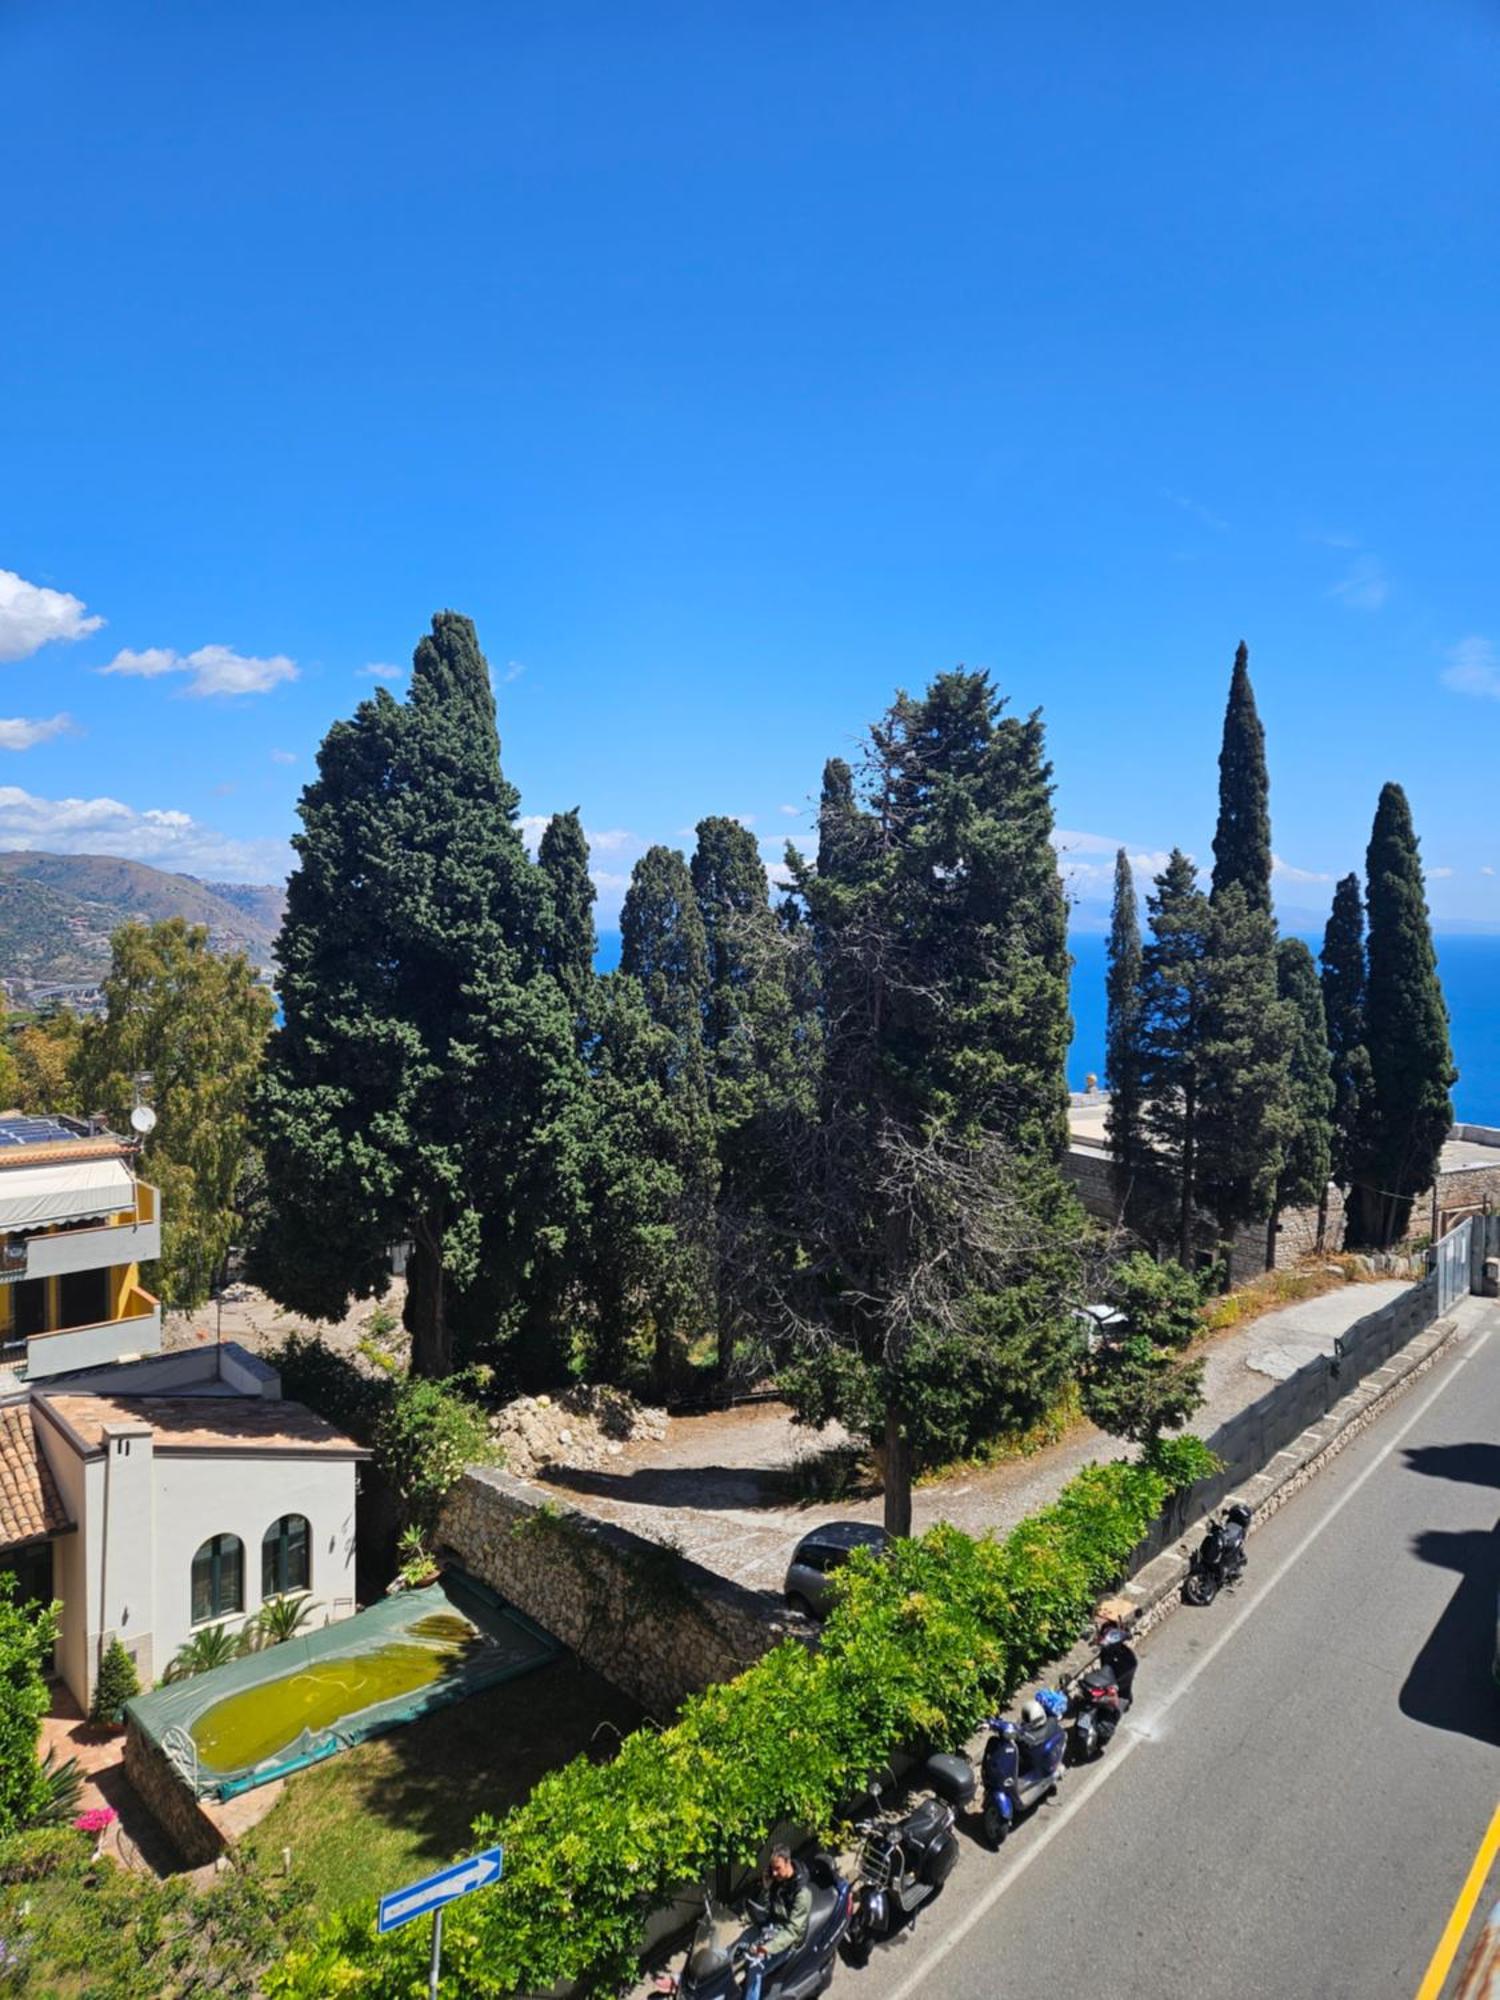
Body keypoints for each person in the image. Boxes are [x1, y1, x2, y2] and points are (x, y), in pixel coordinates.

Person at [740, 1845, 811, 2000]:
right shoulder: (777, 1880)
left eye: (778, 1868)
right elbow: (765, 1910)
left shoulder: (802, 1894)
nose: (774, 1873)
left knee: (754, 1968)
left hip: (786, 1938)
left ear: (788, 1862)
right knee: (737, 1945)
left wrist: (766, 1948)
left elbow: (792, 1932)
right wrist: (766, 1888)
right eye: (772, 1869)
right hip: (770, 1927)